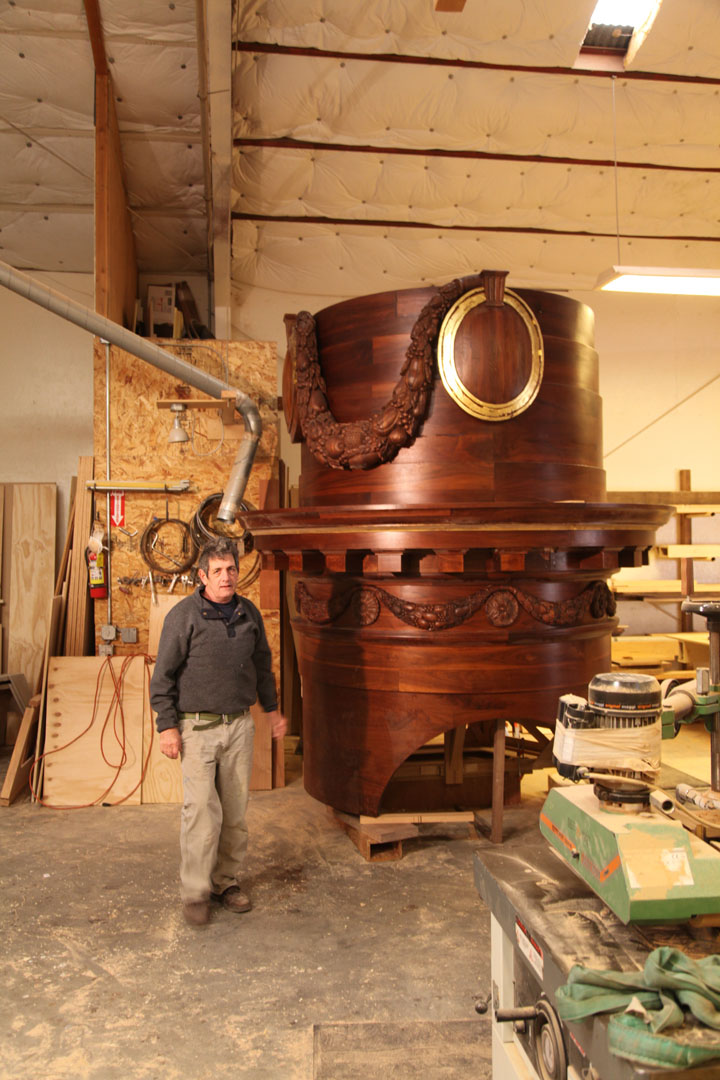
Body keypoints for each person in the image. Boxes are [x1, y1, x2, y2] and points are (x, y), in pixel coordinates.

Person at [150, 536, 286, 927]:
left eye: (231, 569)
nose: (226, 577)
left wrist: (273, 711)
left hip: (239, 727)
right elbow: (163, 677)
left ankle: (224, 882)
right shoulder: (184, 616)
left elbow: (262, 665)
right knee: (201, 813)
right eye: (218, 571)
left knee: (234, 813)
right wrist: (167, 727)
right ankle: (195, 890)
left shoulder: (249, 614)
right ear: (202, 575)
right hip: (196, 728)